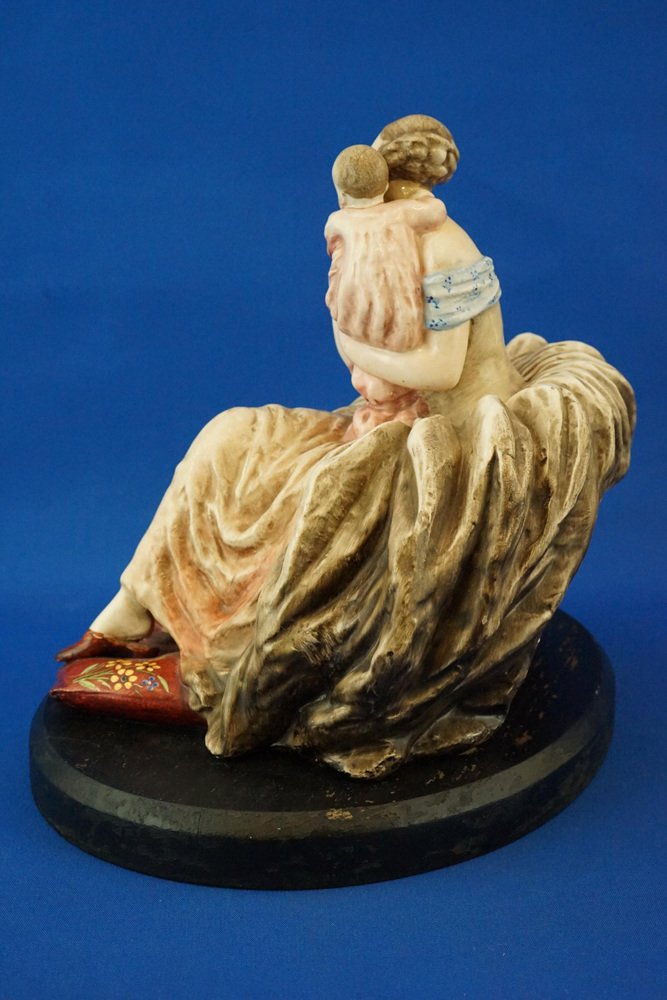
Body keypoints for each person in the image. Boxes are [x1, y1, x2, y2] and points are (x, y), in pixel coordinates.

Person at [55, 115, 635, 779]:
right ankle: (134, 607)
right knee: (233, 434)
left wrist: (352, 343)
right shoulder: (391, 238)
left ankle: (217, 659)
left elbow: (440, 370)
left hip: (450, 436)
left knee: (304, 499)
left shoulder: (443, 249)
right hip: (391, 413)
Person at [324, 144, 445, 438]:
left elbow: (334, 248)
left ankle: (384, 405)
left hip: (355, 310)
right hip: (402, 312)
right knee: (398, 334)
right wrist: (419, 198)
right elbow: (437, 211)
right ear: (385, 188)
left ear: (341, 196)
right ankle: (397, 403)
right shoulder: (404, 213)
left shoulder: (337, 221)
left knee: (351, 331)